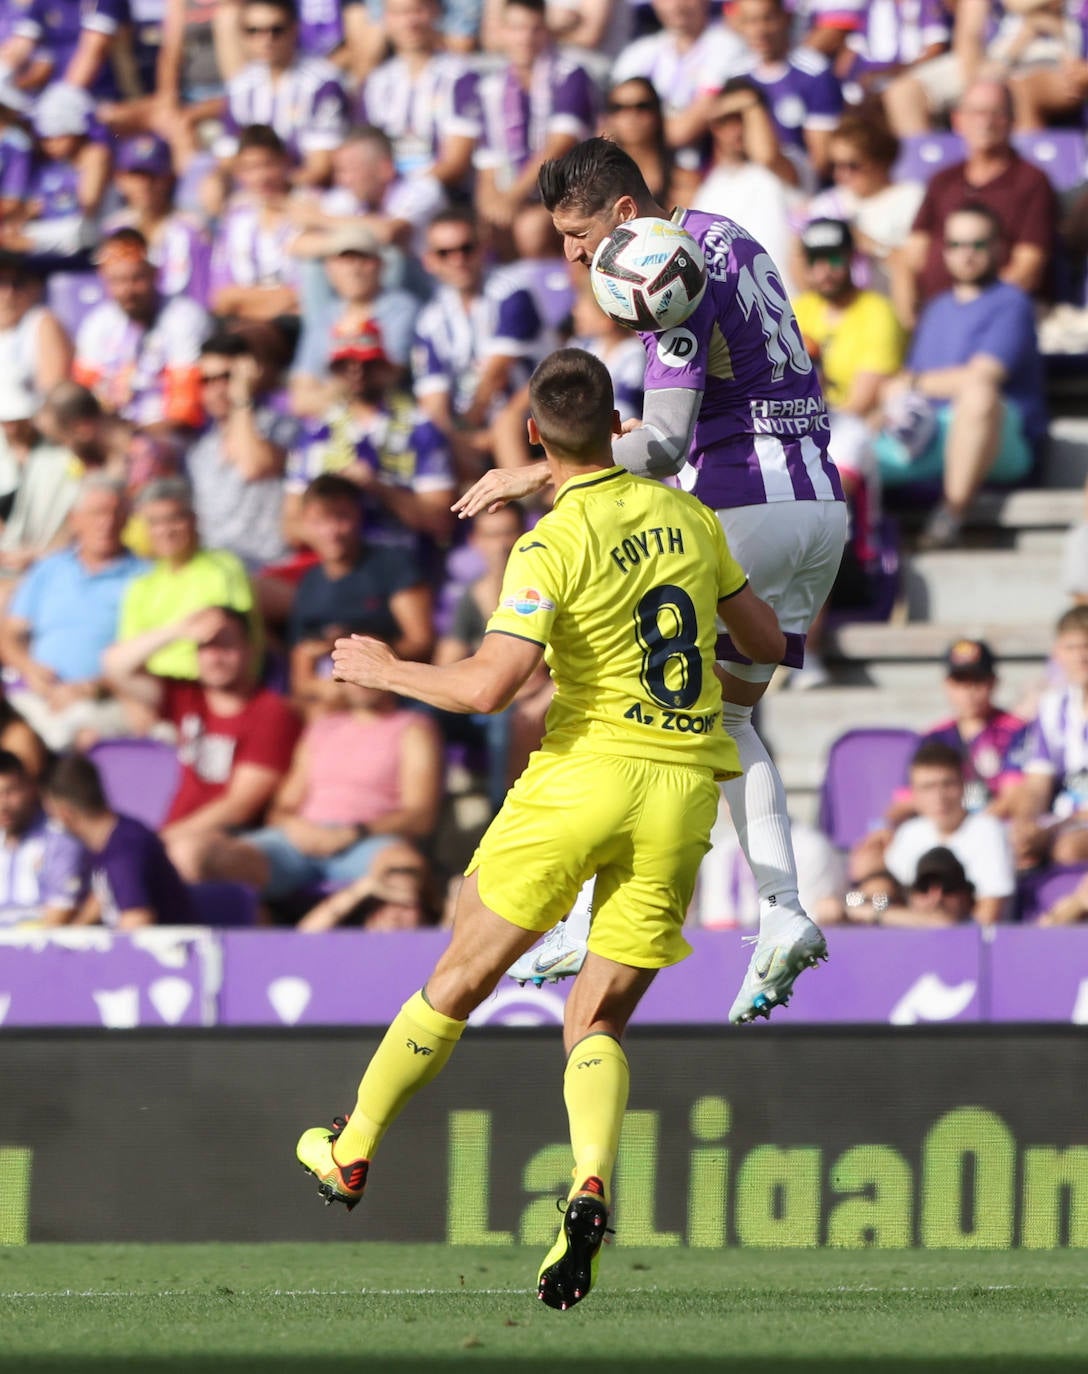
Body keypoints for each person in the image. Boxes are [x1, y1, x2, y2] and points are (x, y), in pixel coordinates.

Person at [295, 347, 786, 1309]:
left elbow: (486, 688)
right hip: (684, 787)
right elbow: (765, 644)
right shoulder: (690, 518)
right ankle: (590, 1180)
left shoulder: (548, 543)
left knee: (464, 971)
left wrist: (383, 668)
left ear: (532, 437)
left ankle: (351, 1150)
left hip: (585, 777)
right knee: (595, 1018)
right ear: (618, 426)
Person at [456, 138, 847, 1024]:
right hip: (820, 503)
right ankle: (783, 910)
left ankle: (594, 915)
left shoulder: (659, 276)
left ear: (625, 217)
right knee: (730, 715)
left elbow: (665, 446)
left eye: (577, 232)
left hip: (742, 503)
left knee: (646, 710)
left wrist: (547, 468)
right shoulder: (724, 231)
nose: (571, 255)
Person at [185, 673, 442, 906]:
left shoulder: (413, 728)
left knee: (404, 873)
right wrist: (296, 827)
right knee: (198, 858)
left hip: (368, 841)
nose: (360, 680)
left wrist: (351, 833)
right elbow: (283, 806)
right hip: (299, 840)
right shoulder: (321, 728)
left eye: (369, 670)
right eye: (352, 671)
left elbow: (420, 815)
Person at [875, 203, 1046, 549]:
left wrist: (910, 383)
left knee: (978, 394)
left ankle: (951, 515)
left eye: (978, 244)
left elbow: (981, 376)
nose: (966, 254)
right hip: (929, 433)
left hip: (998, 440)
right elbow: (908, 379)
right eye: (956, 245)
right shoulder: (937, 307)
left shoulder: (1013, 302)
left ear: (999, 247)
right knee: (845, 438)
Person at [102, 605, 302, 880]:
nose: (215, 657)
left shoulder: (272, 713)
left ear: (251, 650)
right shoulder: (188, 697)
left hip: (231, 843)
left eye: (227, 646)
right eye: (206, 647)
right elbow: (116, 666)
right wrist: (178, 631)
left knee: (170, 859)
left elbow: (240, 806)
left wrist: (161, 840)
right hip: (176, 836)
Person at [0, 475, 147, 752]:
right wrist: (28, 667)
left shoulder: (144, 577)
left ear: (128, 519)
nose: (107, 522)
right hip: (35, 694)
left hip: (103, 699)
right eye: (97, 513)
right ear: (75, 519)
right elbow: (10, 633)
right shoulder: (49, 569)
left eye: (116, 513)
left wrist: (87, 689)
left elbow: (146, 658)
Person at [904, 78, 1057, 320]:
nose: (985, 122)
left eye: (996, 113)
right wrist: (908, 313)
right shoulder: (942, 181)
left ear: (1011, 121)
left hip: (997, 316)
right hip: (932, 315)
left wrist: (967, 310)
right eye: (977, 113)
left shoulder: (1032, 182)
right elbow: (912, 257)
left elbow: (1027, 270)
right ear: (958, 120)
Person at [473, 0, 597, 234]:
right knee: (482, 230)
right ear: (502, 32)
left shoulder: (569, 75)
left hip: (568, 190)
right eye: (517, 28)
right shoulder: (491, 87)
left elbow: (560, 144)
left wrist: (512, 198)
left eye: (535, 28)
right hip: (515, 192)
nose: (526, 38)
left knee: (531, 230)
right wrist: (491, 204)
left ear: (546, 31)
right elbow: (487, 161)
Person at [116, 478, 256, 683]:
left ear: (194, 520)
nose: (166, 531)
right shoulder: (141, 585)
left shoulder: (222, 569)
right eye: (155, 522)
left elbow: (232, 644)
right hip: (157, 688)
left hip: (205, 686)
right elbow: (127, 651)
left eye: (174, 519)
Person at [72, 230, 210, 433]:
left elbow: (185, 412)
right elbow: (83, 396)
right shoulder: (97, 323)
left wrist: (131, 437)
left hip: (170, 437)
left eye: (136, 279)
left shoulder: (184, 317)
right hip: (112, 434)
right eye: (117, 281)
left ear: (155, 274)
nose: (128, 291)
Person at [183, 333, 296, 574]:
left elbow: (253, 466)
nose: (216, 388)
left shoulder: (281, 427)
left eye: (226, 377)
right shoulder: (199, 451)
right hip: (217, 572)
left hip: (270, 568)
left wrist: (241, 399)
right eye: (206, 380)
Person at [42, 751, 195, 929]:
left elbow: (136, 922)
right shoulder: (110, 840)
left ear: (65, 814)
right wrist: (74, 932)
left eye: (51, 813)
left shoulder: (124, 850)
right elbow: (105, 894)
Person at [877, 740, 1015, 924]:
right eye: (928, 787)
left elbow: (988, 916)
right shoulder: (909, 833)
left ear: (964, 786)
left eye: (947, 784)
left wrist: (884, 916)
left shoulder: (988, 831)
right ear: (913, 794)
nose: (939, 797)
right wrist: (866, 906)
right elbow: (880, 896)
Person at [1006, 605, 1088, 870]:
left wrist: (1054, 829)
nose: (1081, 657)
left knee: (1067, 848)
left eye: (1086, 646)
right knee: (1013, 843)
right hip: (1065, 818)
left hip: (1072, 825)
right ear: (1058, 653)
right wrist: (1027, 823)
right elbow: (1037, 782)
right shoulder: (1052, 706)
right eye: (1072, 648)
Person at [732, 0, 844, 183]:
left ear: (786, 18)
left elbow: (820, 162)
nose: (759, 30)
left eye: (767, 19)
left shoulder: (814, 73)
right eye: (750, 21)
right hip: (748, 183)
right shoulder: (735, 77)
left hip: (798, 185)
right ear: (739, 25)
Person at [0, 749, 82, 927]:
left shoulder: (60, 838)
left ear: (31, 789)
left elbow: (59, 915)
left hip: (38, 950)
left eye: (11, 791)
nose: (3, 804)